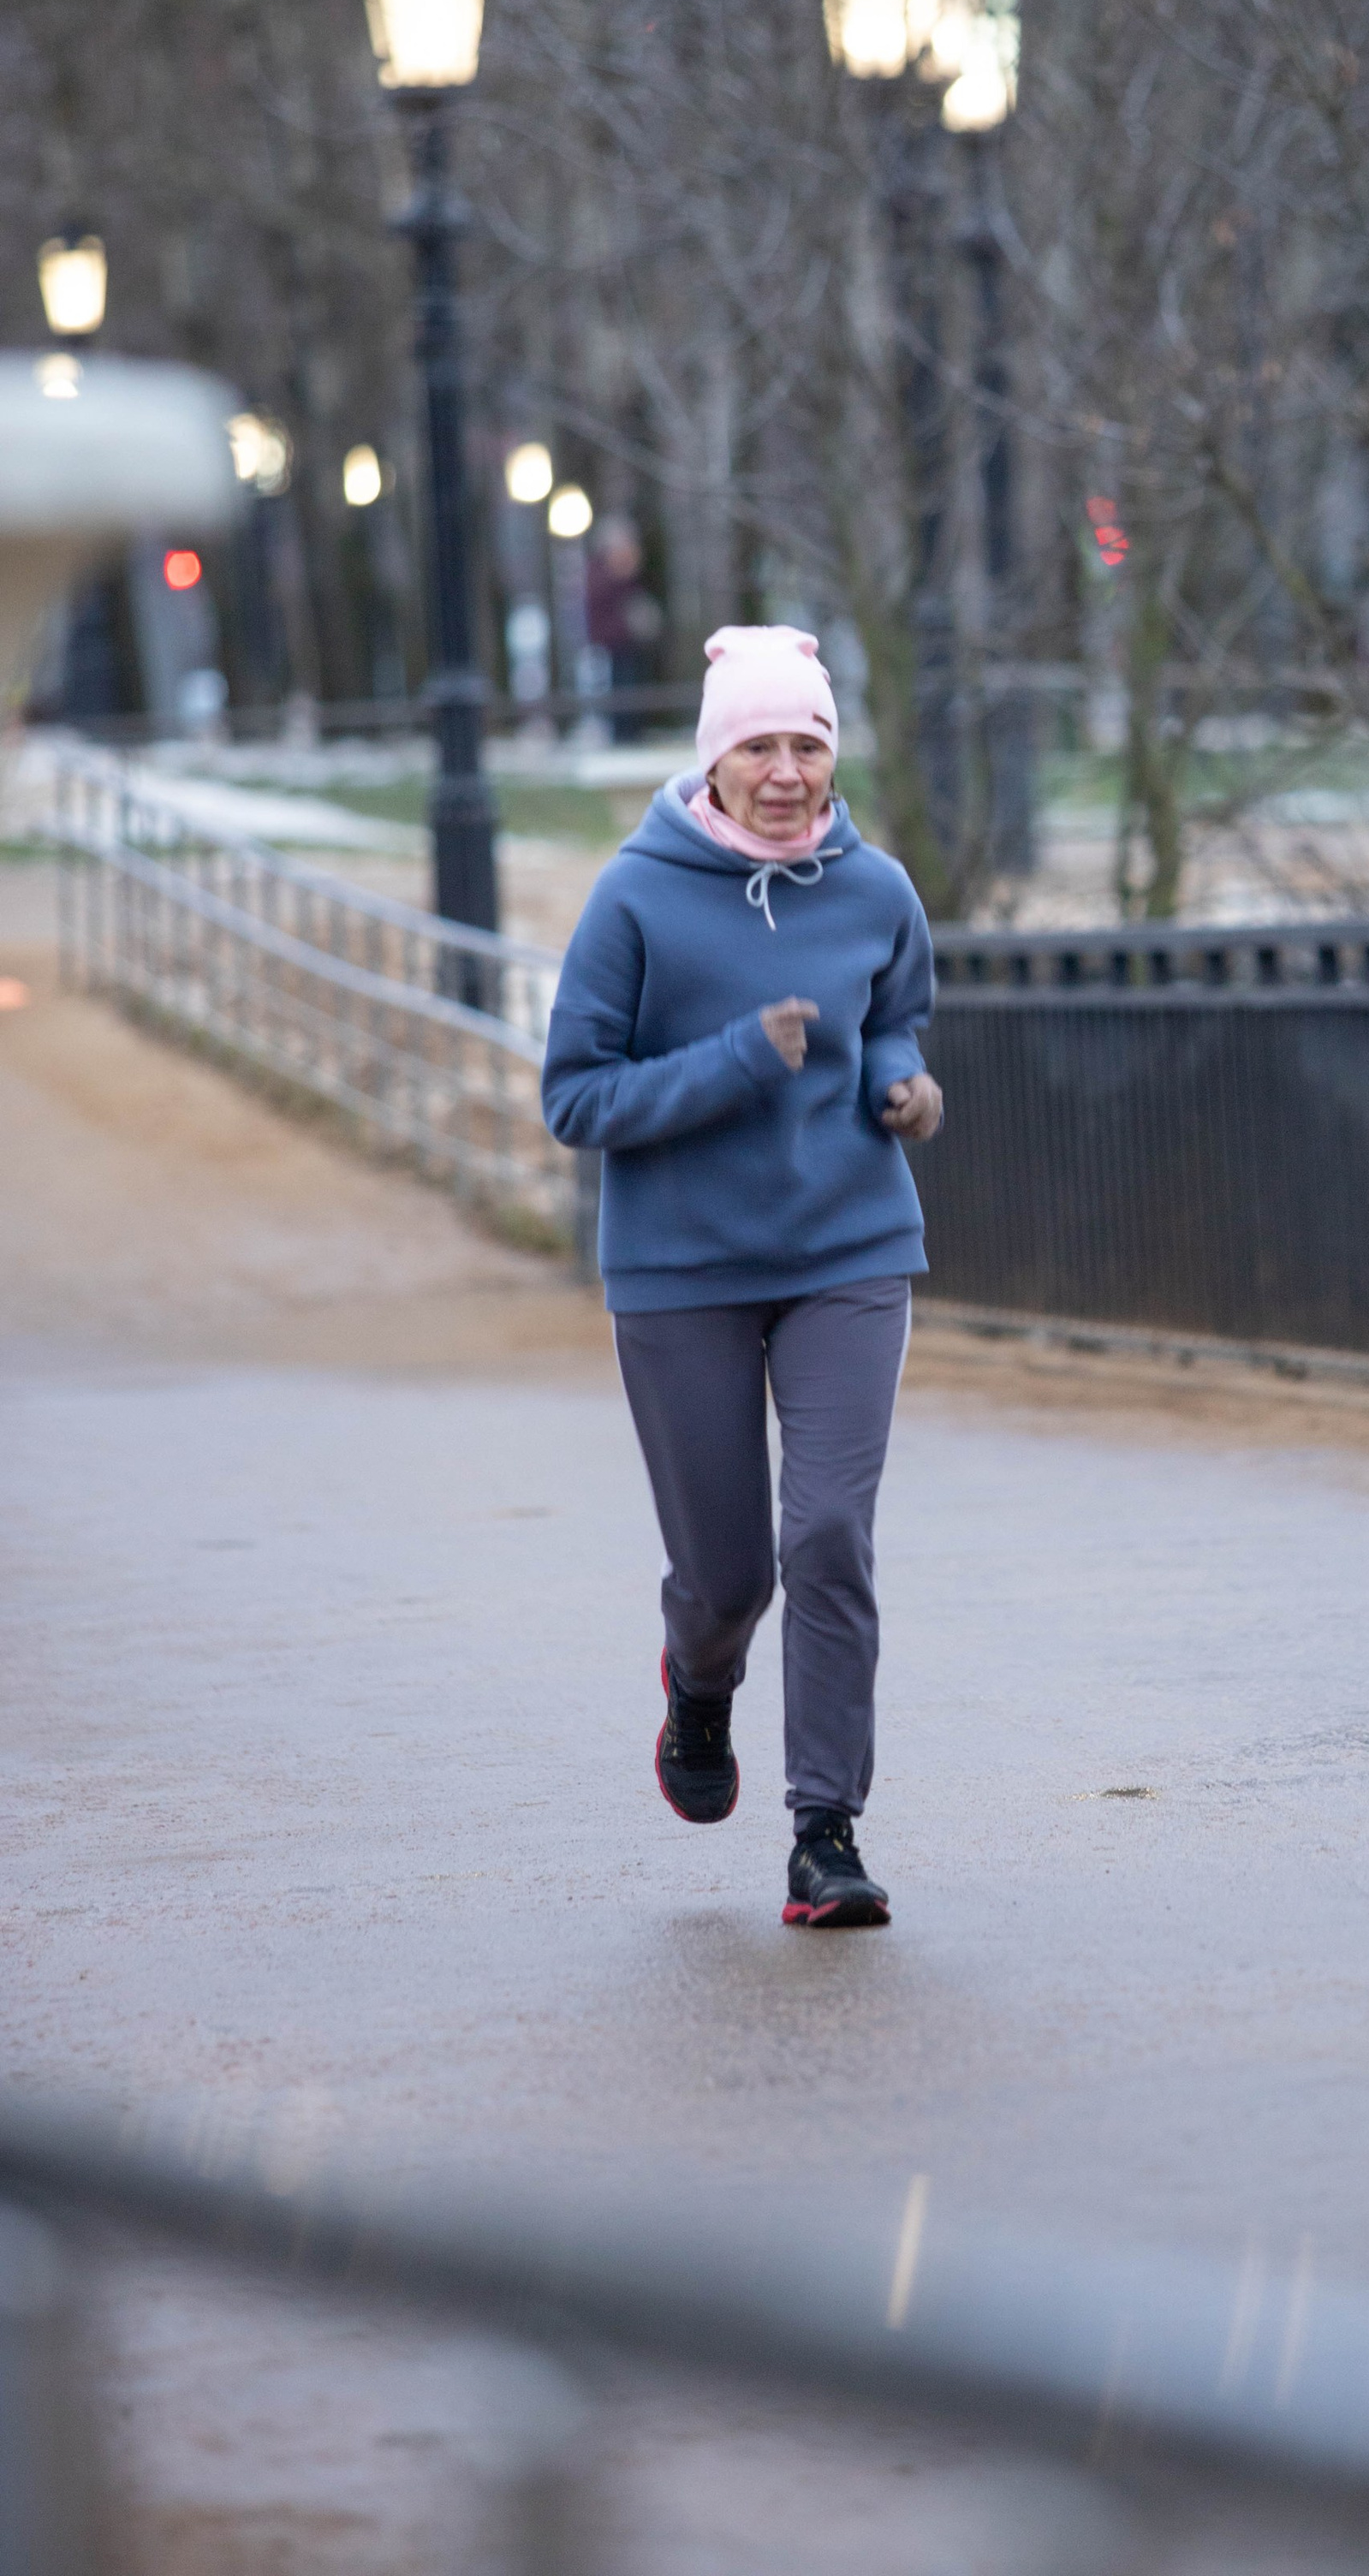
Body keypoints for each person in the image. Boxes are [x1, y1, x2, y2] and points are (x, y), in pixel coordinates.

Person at [541, 625, 943, 1930]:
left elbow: (894, 1011)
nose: (786, 771)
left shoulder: (876, 886)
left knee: (827, 1534)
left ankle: (825, 1831)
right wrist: (734, 1061)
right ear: (715, 758)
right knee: (729, 1578)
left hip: (849, 1250)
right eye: (760, 745)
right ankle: (697, 1682)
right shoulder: (636, 897)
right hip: (680, 1270)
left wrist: (901, 1082)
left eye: (809, 745)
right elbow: (576, 1095)